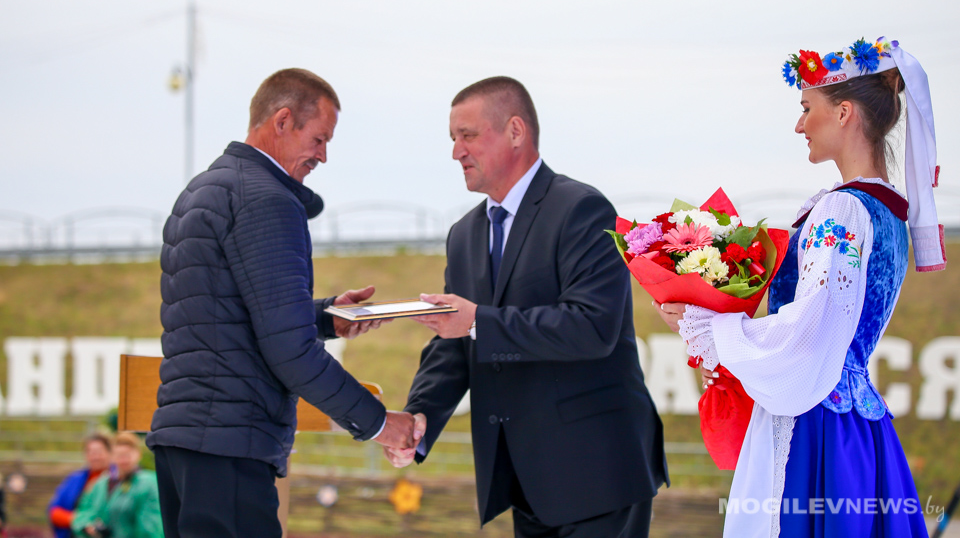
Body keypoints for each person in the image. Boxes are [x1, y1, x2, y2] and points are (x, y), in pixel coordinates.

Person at [657, 37, 945, 537]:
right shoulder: (890, 213)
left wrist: (711, 328)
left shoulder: (843, 210)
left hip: (816, 429)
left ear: (844, 113)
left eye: (807, 108)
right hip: (858, 426)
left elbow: (809, 333)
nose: (798, 125)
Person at [146, 68, 424, 538]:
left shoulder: (202, 190)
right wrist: (379, 424)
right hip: (232, 447)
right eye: (319, 138)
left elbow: (224, 315)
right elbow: (290, 351)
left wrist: (326, 318)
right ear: (282, 121)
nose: (323, 155)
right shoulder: (267, 200)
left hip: (184, 444)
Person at [387, 76, 668, 537]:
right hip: (525, 482)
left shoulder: (583, 209)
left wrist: (478, 321)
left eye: (468, 135)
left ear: (516, 131)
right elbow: (455, 343)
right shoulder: (464, 234)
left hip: (599, 477)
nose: (456, 151)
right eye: (453, 138)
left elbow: (592, 327)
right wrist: (419, 417)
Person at [71, 432, 163, 538]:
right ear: (112, 456)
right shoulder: (101, 484)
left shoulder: (148, 483)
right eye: (120, 455)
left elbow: (150, 527)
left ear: (138, 454)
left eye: (128, 455)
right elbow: (83, 512)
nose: (124, 460)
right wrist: (87, 526)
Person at [48, 434, 115, 538]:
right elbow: (54, 512)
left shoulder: (117, 479)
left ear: (110, 453)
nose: (95, 457)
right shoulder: (75, 479)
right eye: (91, 452)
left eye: (99, 452)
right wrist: (80, 521)